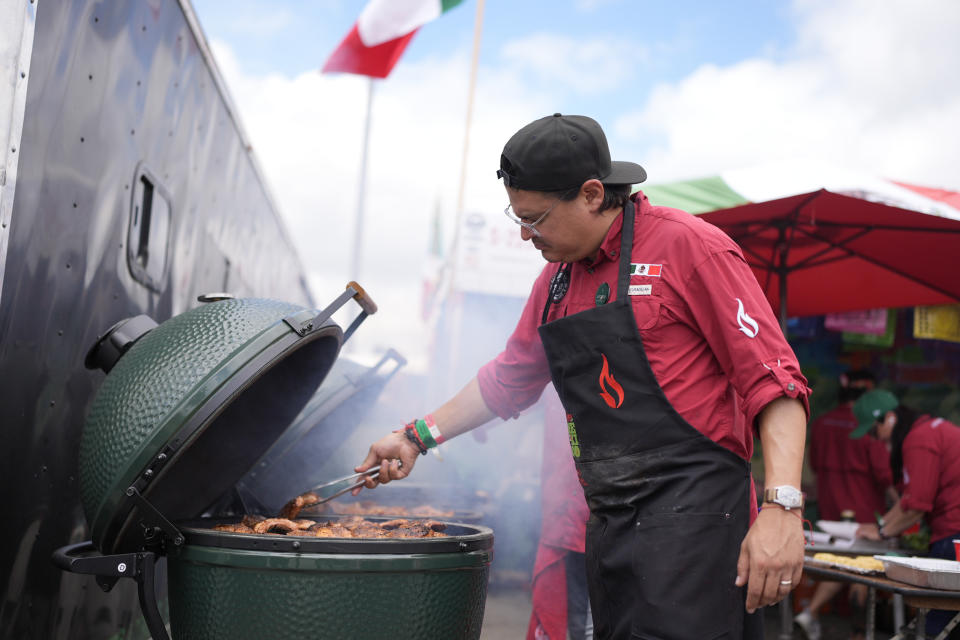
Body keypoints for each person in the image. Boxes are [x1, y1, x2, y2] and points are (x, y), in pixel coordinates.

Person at [355, 113, 811, 639]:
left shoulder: (690, 247)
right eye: (518, 217)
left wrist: (782, 507)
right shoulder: (556, 280)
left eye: (537, 218)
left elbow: (776, 385)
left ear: (593, 194)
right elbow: (510, 378)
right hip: (609, 522)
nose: (526, 234)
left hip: (697, 523)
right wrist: (414, 437)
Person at [794, 371, 897, 640]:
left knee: (837, 562)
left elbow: (814, 464)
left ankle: (813, 614)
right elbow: (884, 474)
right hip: (865, 508)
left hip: (830, 505)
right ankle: (858, 632)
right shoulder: (867, 425)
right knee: (862, 567)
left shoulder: (822, 423)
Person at [852, 389, 960, 639]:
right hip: (950, 530)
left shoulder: (919, 439)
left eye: (873, 431)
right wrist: (882, 525)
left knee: (935, 626)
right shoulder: (926, 431)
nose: (875, 439)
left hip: (953, 534)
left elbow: (917, 506)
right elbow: (908, 501)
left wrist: (881, 532)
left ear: (889, 418)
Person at [527, 386, 592, 640]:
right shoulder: (558, 373)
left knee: (591, 617)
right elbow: (516, 390)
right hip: (568, 518)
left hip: (599, 519)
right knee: (577, 615)